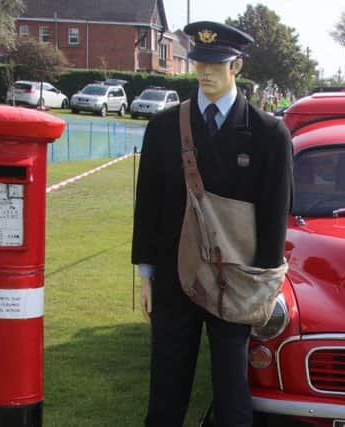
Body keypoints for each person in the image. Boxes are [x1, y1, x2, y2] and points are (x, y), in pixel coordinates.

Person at [131, 21, 293, 427]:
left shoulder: (269, 134)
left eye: (216, 64)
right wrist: (146, 274)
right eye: (200, 62)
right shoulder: (163, 128)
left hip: (235, 282)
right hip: (174, 276)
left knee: (232, 395)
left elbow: (275, 218)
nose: (205, 72)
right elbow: (147, 206)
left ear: (236, 65)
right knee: (166, 393)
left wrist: (263, 287)